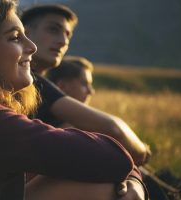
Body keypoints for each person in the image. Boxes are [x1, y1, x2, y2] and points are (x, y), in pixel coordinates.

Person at [0, 0, 147, 200]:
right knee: (104, 187)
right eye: (14, 38)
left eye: (67, 34)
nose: (32, 47)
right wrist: (136, 173)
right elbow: (116, 150)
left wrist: (134, 179)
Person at [21, 4, 151, 166]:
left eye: (68, 34)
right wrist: (143, 153)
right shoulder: (31, 82)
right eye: (53, 30)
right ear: (25, 32)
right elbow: (115, 129)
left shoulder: (33, 82)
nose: (63, 41)